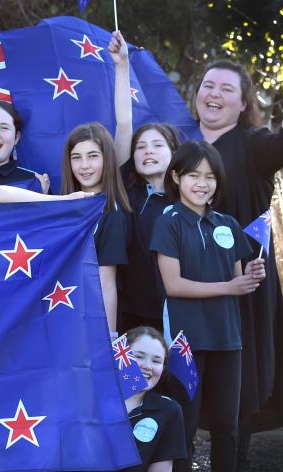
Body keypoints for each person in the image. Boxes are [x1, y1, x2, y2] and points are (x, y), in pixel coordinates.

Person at [149, 140, 266, 472]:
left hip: (228, 338)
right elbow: (174, 285)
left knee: (227, 425)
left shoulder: (227, 224)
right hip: (186, 342)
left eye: (210, 176)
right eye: (193, 175)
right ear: (175, 176)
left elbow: (238, 278)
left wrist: (252, 272)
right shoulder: (168, 221)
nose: (202, 184)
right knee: (185, 423)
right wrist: (230, 286)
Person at [193, 59, 283, 464]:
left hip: (242, 287)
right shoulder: (176, 142)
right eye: (209, 85)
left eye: (227, 89)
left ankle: (236, 461)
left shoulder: (254, 144)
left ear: (244, 103)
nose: (214, 93)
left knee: (240, 383)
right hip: (182, 285)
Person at [108, 30, 182, 333]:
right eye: (141, 147)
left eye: (157, 145)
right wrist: (122, 65)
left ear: (174, 153)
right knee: (137, 381)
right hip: (131, 315)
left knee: (174, 382)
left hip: (177, 314)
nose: (147, 151)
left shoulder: (188, 199)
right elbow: (125, 123)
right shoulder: (127, 189)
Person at [59, 122, 131, 334]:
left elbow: (107, 283)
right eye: (76, 157)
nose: (84, 165)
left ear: (107, 159)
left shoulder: (111, 212)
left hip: (90, 321)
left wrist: (108, 336)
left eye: (93, 156)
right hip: (61, 311)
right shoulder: (62, 205)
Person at [120, 326, 188, 472]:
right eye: (139, 356)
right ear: (121, 355)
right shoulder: (93, 402)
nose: (147, 366)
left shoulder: (169, 411)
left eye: (156, 361)